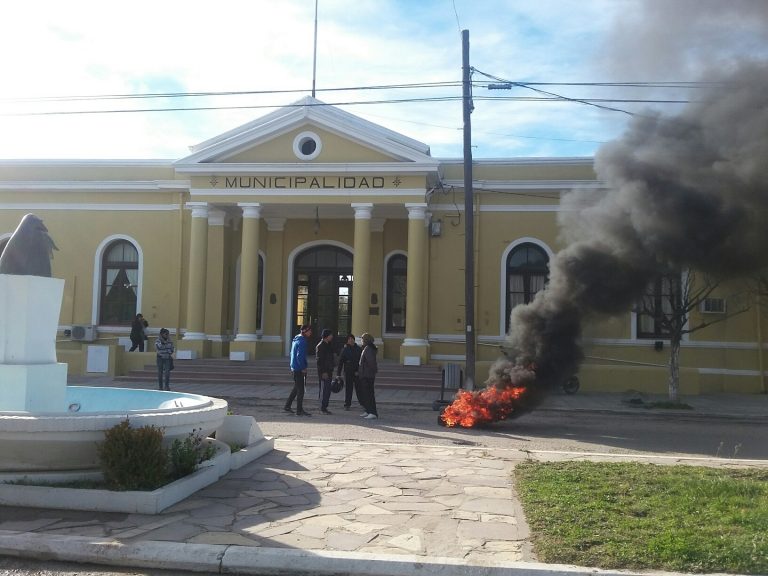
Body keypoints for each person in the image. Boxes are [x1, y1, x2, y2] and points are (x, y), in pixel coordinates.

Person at [285, 325, 312, 416]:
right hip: (299, 369)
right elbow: (299, 356)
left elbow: (293, 354)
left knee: (297, 388)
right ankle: (299, 410)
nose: (310, 332)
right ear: (305, 331)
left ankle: (287, 406)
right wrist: (303, 368)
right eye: (309, 331)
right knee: (301, 390)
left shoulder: (296, 339)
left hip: (294, 367)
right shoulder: (302, 341)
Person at [337, 333, 362, 410]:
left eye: (352, 339)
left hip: (357, 371)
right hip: (348, 372)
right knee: (348, 388)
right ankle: (347, 404)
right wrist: (338, 373)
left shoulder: (358, 349)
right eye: (349, 339)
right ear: (347, 341)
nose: (351, 340)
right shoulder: (344, 350)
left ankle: (363, 403)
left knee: (359, 389)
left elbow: (361, 361)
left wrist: (359, 371)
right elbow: (340, 362)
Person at [358, 332, 379, 420]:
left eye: (362, 339)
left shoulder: (368, 349)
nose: (361, 340)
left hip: (367, 375)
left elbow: (371, 363)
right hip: (365, 374)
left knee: (369, 394)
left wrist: (373, 371)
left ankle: (372, 412)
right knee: (366, 394)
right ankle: (368, 410)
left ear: (365, 340)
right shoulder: (367, 348)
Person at [316, 328, 335, 415]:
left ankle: (325, 407)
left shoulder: (329, 345)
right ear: (326, 336)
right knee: (324, 390)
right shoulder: (320, 346)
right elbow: (320, 361)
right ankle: (322, 408)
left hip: (329, 371)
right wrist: (323, 372)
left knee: (327, 390)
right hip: (324, 372)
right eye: (330, 335)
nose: (332, 336)